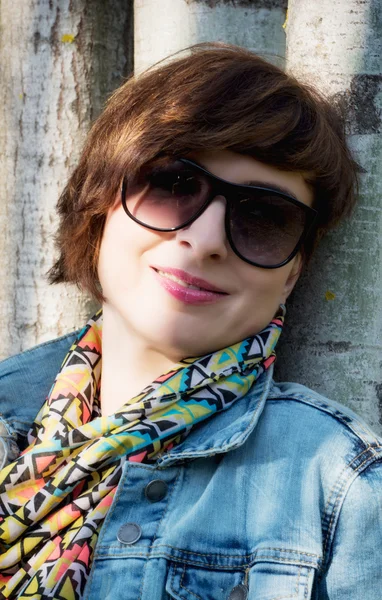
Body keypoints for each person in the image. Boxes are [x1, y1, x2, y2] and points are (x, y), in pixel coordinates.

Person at [0, 43, 380, 600]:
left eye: (263, 218)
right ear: (100, 200)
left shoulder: (341, 490)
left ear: (294, 272)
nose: (203, 242)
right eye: (174, 184)